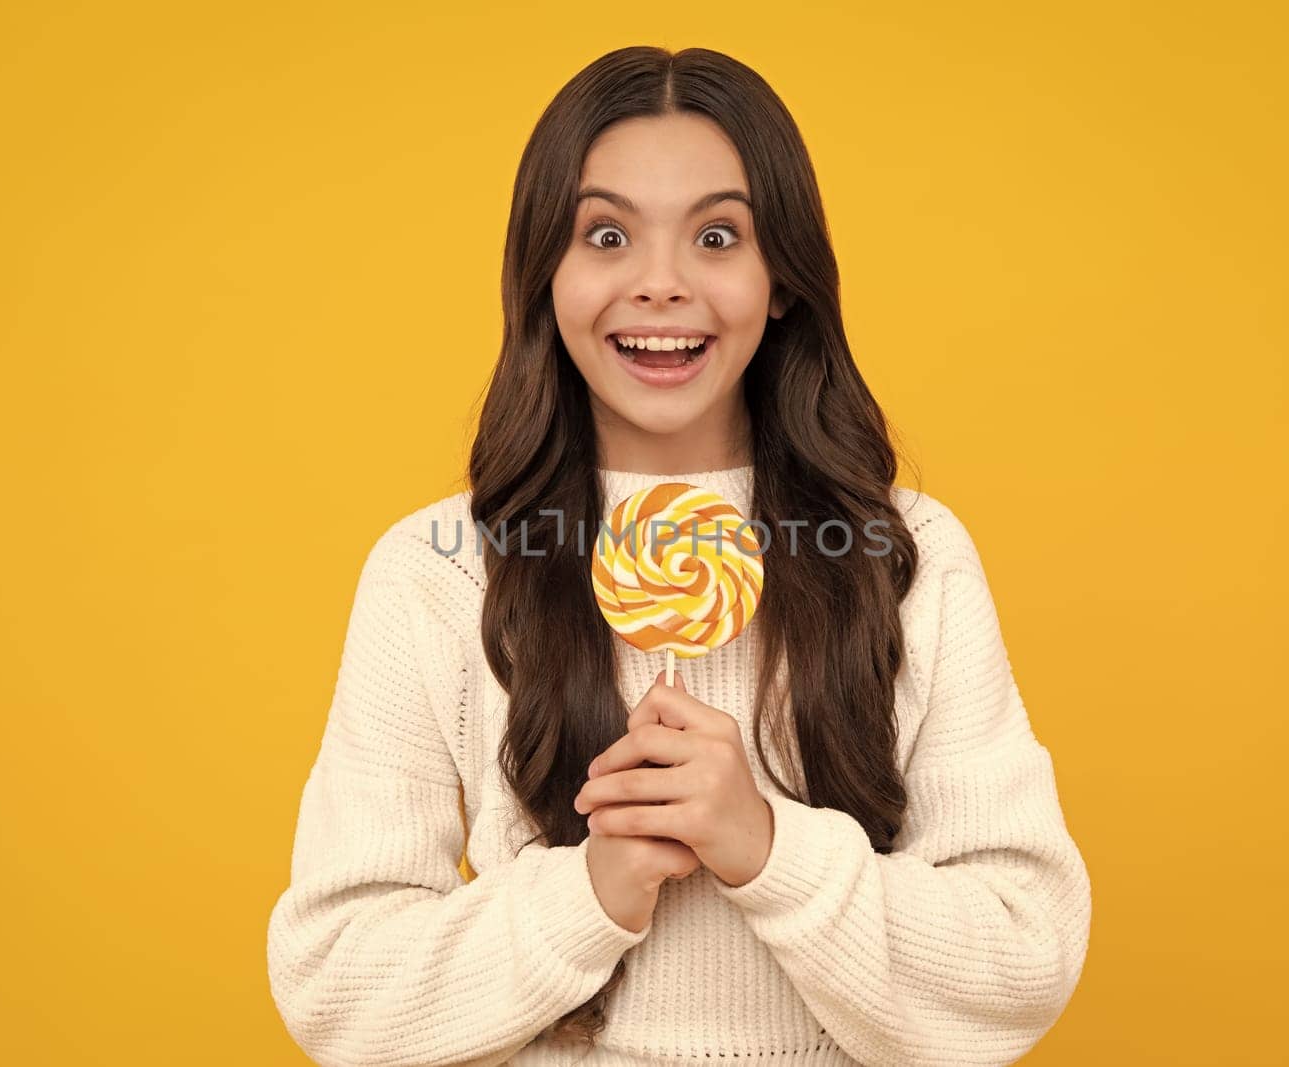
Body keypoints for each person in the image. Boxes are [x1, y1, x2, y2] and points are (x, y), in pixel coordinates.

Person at [266, 45, 1091, 1067]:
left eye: (715, 234)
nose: (660, 284)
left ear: (780, 276)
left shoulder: (907, 555)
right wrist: (591, 888)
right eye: (606, 234)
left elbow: (1023, 956)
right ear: (546, 274)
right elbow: (339, 987)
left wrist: (768, 846)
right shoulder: (438, 570)